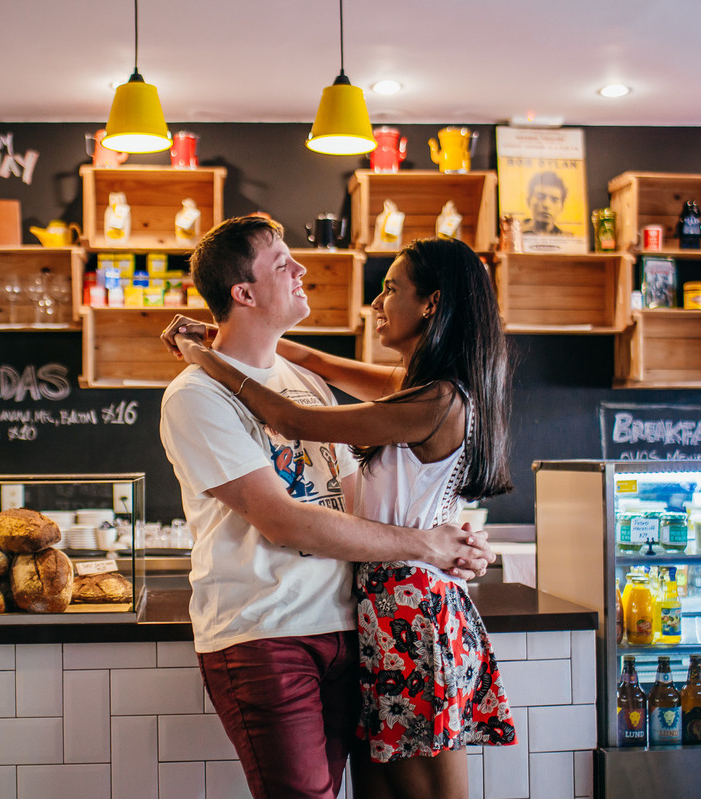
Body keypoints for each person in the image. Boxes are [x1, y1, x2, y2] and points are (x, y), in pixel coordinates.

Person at [158, 216, 496, 799]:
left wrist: (439, 539)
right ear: (243, 292)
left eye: (391, 288)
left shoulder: (419, 395)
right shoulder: (194, 396)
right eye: (283, 261)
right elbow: (287, 518)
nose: (303, 268)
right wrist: (430, 540)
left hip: (363, 623)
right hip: (274, 633)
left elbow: (327, 465)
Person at [521, 170, 567, 235]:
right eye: (540, 197)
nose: (546, 205)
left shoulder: (565, 237)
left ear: (562, 206)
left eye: (554, 200)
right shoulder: (516, 232)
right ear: (528, 201)